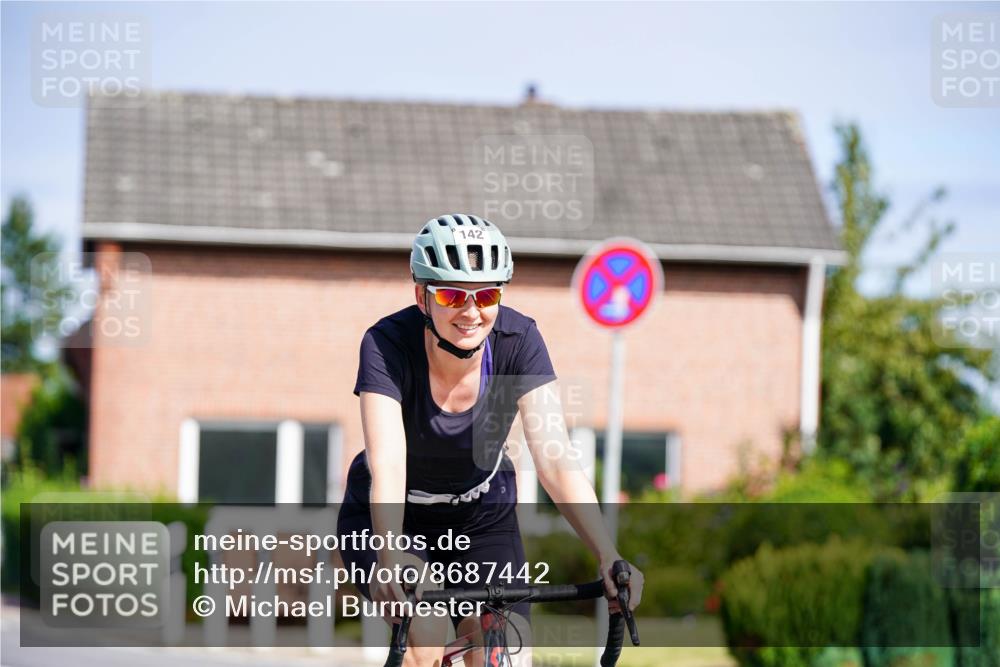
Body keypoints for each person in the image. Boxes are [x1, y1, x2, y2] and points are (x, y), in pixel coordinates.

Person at [337, 214, 644, 666]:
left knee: (505, 651)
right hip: (393, 515)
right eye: (451, 294)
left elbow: (555, 459)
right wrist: (389, 551)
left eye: (486, 295)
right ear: (422, 296)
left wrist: (608, 554)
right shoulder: (386, 345)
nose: (471, 311)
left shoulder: (517, 340)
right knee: (424, 631)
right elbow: (388, 461)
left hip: (480, 515)